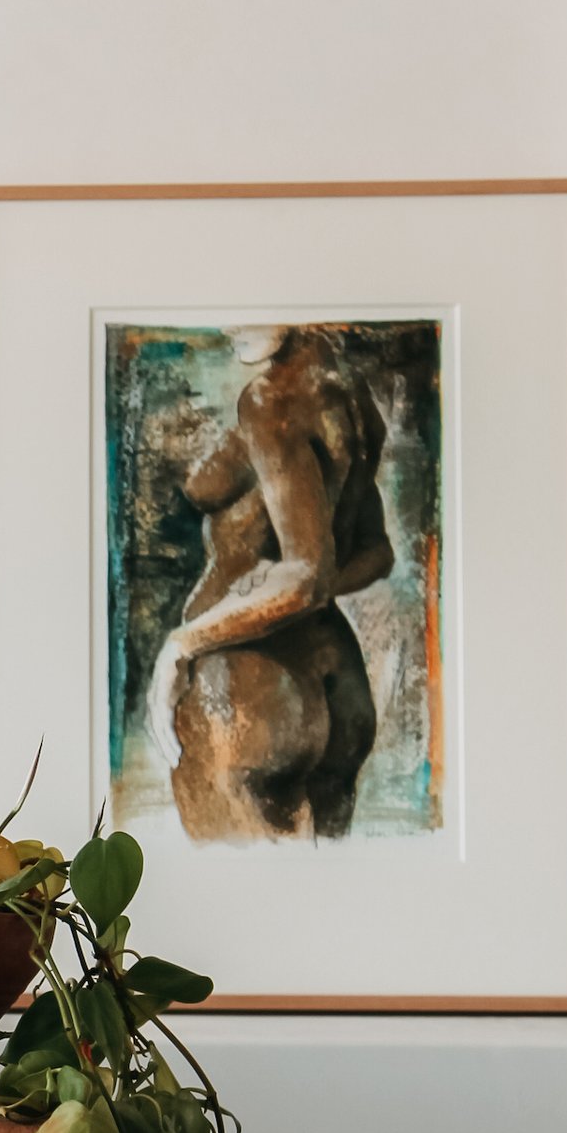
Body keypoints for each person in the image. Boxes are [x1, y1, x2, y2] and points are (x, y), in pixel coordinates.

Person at [142, 326, 393, 842]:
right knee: (328, 901)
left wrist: (180, 646)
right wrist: (316, 580)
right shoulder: (351, 397)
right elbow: (376, 552)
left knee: (233, 902)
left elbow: (303, 577)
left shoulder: (270, 401)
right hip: (338, 684)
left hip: (247, 684)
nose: (232, 325)